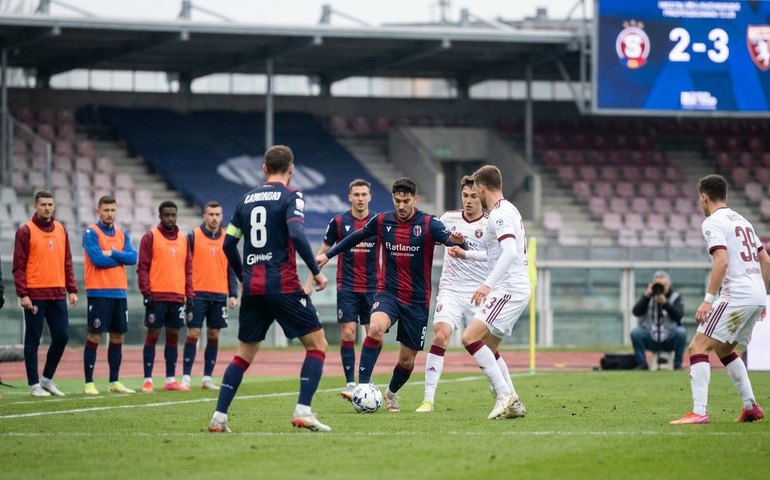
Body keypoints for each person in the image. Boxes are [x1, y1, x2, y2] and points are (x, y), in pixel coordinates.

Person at [208, 145, 332, 433]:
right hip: (283, 284)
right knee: (317, 345)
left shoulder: (245, 200)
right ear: (292, 169)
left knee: (243, 354)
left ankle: (219, 417)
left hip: (253, 287)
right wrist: (315, 272)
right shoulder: (291, 196)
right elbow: (297, 233)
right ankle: (303, 410)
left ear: (264, 168)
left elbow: (228, 244)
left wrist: (243, 276)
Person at [316, 177, 466, 413]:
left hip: (417, 301)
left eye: (406, 201)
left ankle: (391, 393)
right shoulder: (382, 221)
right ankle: (363, 387)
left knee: (407, 360)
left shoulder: (429, 223)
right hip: (388, 293)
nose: (401, 206)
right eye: (397, 201)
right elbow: (355, 237)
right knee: (375, 328)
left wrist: (459, 243)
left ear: (415, 199)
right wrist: (328, 255)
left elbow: (453, 242)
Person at [671, 174, 770, 425]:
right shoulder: (743, 221)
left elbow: (722, 261)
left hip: (736, 294)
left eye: (700, 199)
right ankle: (751, 407)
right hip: (756, 294)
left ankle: (699, 412)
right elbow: (766, 260)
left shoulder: (712, 222)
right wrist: (760, 296)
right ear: (725, 195)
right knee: (724, 349)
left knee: (697, 347)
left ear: (704, 197)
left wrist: (708, 300)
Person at [449, 165, 529, 420]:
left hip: (508, 288)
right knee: (488, 346)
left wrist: (487, 285)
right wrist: (466, 254)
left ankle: (505, 395)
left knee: (469, 338)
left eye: (476, 191)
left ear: (482, 188)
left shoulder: (498, 214)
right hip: (514, 287)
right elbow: (497, 253)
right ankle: (514, 404)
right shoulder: (509, 209)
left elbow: (509, 253)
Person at [416, 175, 498, 413]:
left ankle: (500, 387)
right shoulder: (448, 219)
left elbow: (496, 256)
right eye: (465, 196)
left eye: (473, 196)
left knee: (486, 345)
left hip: (478, 292)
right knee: (440, 335)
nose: (468, 201)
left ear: (481, 196)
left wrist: (466, 252)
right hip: (450, 290)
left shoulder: (491, 224)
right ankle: (428, 400)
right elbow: (430, 243)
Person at [305, 179, 378, 398]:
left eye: (364, 194)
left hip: (373, 287)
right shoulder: (338, 222)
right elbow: (321, 253)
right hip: (347, 286)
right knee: (348, 332)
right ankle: (350, 382)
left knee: (374, 333)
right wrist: (309, 282)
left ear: (370, 197)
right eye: (356, 194)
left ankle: (366, 378)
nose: (360, 198)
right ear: (349, 197)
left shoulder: (378, 221)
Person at [12, 190, 78, 397]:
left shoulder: (61, 229)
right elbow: (18, 267)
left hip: (57, 294)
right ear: (35, 206)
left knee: (62, 336)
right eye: (43, 204)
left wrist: (72, 289)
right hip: (35, 296)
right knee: (33, 340)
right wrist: (23, 294)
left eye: (50, 204)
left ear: (54, 205)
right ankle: (34, 385)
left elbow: (67, 261)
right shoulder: (25, 231)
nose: (47, 208)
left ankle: (47, 379)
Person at [82, 195, 138, 395]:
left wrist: (112, 253)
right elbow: (97, 260)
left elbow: (133, 257)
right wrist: (120, 257)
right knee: (94, 335)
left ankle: (114, 381)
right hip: (98, 291)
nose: (109, 214)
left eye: (112, 210)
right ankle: (89, 383)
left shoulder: (122, 233)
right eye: (106, 210)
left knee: (117, 336)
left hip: (119, 293)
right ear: (98, 211)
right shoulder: (91, 233)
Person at [137, 200, 194, 393]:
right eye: (166, 215)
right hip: (156, 297)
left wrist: (190, 295)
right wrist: (146, 292)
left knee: (173, 336)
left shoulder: (184, 240)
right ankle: (147, 380)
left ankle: (170, 380)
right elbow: (142, 268)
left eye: (173, 215)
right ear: (160, 216)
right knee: (153, 335)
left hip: (177, 297)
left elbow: (188, 270)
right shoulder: (150, 237)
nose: (170, 218)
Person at [182, 201, 238, 390]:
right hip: (197, 294)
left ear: (221, 217)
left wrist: (233, 293)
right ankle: (186, 377)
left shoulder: (227, 239)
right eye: (211, 214)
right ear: (204, 216)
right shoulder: (193, 237)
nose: (214, 218)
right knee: (194, 333)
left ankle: (207, 378)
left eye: (217, 214)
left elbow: (231, 268)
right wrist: (186, 291)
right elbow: (185, 266)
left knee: (214, 334)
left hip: (219, 294)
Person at [630, 271, 685, 370]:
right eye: (658, 285)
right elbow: (636, 312)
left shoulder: (676, 296)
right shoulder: (649, 296)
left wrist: (666, 304)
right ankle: (642, 364)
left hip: (669, 337)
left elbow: (679, 316)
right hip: (650, 336)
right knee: (636, 333)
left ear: (669, 285)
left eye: (663, 285)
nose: (660, 288)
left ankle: (677, 364)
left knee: (681, 332)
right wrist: (646, 296)